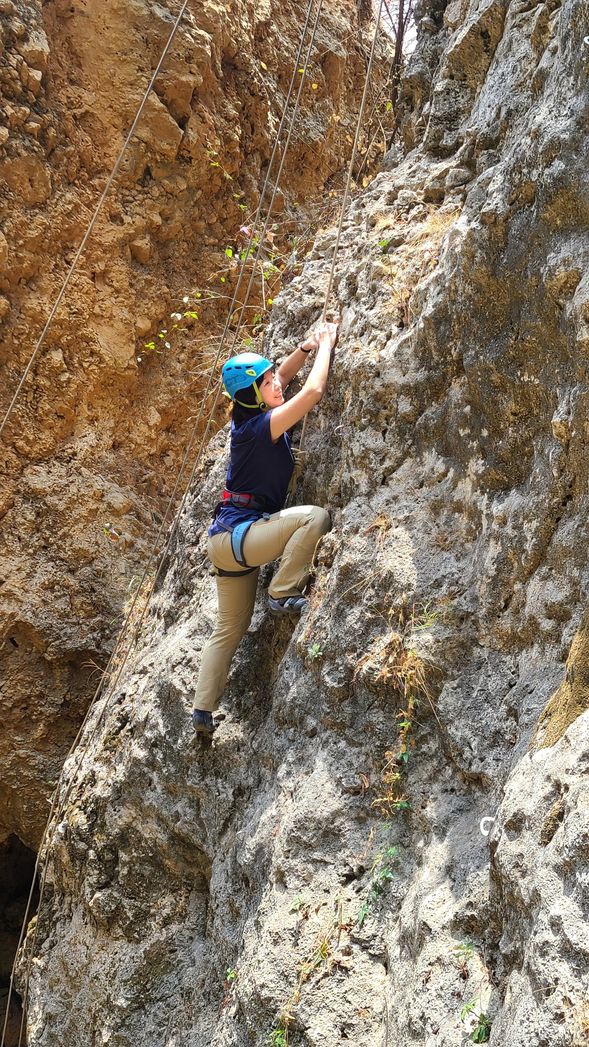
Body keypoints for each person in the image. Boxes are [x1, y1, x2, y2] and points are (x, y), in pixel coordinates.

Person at [192, 320, 339, 736]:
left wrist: (304, 349)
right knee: (315, 517)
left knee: (230, 628)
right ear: (253, 395)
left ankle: (202, 712)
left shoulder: (250, 417)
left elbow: (287, 378)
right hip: (243, 537)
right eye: (268, 381)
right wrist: (327, 345)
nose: (277, 383)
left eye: (273, 375)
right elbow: (311, 392)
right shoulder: (261, 428)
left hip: (227, 541)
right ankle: (282, 590)